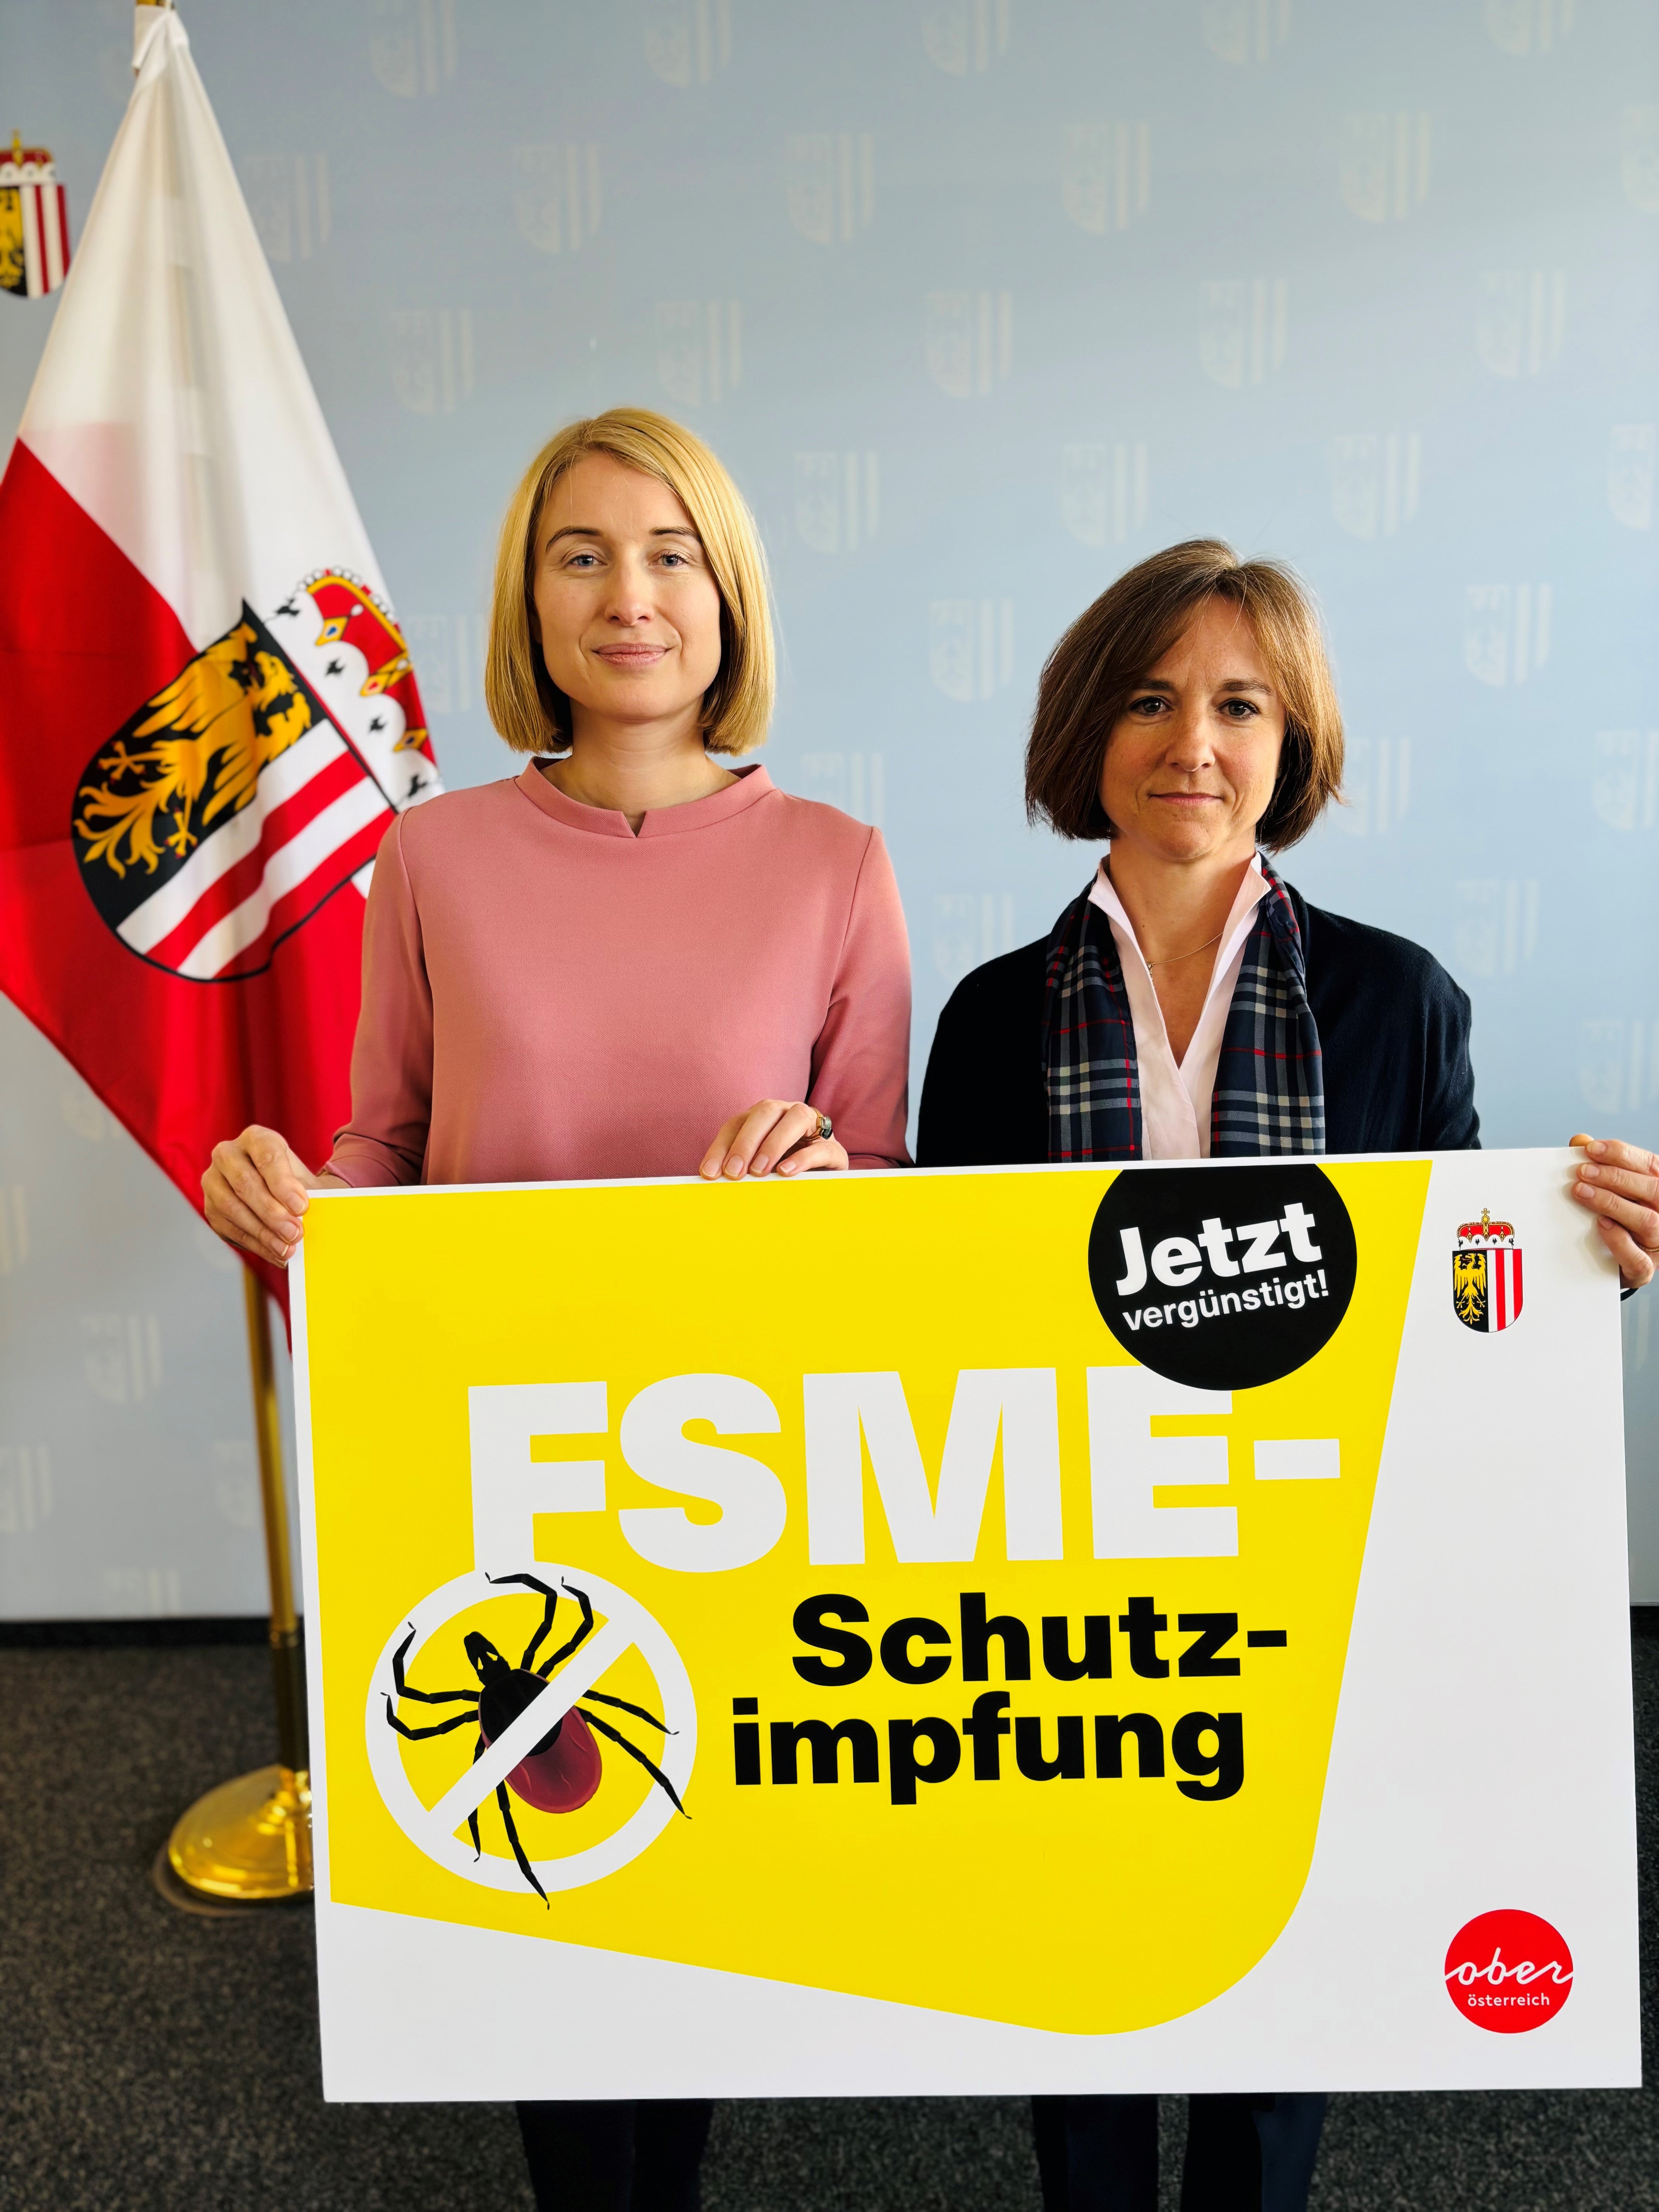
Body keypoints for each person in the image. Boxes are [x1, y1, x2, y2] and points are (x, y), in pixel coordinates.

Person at [203, 407, 912, 2212]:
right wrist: (289, 1208)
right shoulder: (432, 857)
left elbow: (891, 1196)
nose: (629, 597)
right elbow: (386, 1148)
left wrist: (822, 1183)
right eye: (579, 555)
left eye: (671, 554)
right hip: (496, 1452)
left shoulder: (838, 863)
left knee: (702, 1881)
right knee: (545, 1887)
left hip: (737, 1459)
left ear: (728, 594)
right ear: (531, 598)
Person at [918, 538, 1657, 2212]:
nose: (1194, 741)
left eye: (1241, 704)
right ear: (1085, 734)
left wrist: (1585, 1266)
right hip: (1071, 1581)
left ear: (1294, 739)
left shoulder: (1396, 998)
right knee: (1084, 1982)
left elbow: (1453, 1302)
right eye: (1150, 698)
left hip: (1312, 1566)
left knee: (1287, 1978)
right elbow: (946, 1327)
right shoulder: (988, 1020)